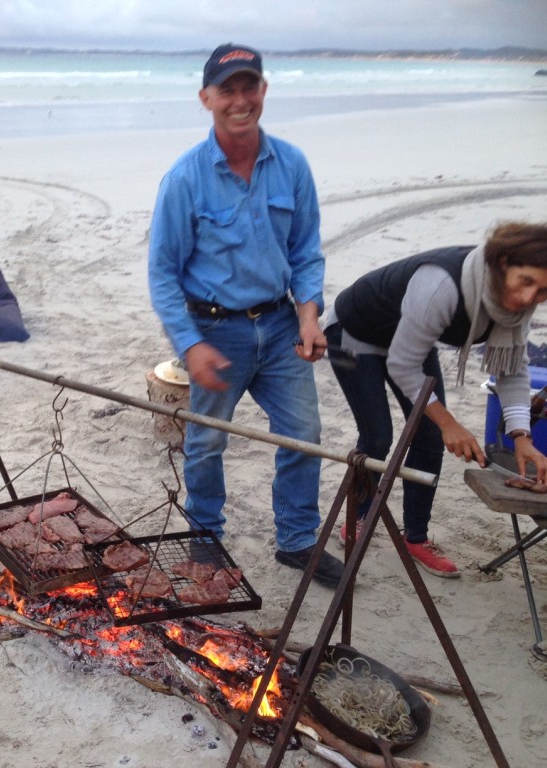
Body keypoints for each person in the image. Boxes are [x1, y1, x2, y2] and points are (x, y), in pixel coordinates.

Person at [148, 44, 344, 588]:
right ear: (206, 98)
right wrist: (191, 344)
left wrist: (309, 314)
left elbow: (306, 252)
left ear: (263, 90)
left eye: (249, 86)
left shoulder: (292, 164)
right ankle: (205, 538)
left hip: (282, 325)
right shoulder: (184, 179)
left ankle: (298, 542)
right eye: (227, 89)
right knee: (208, 442)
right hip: (214, 329)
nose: (240, 100)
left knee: (304, 434)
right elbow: (163, 274)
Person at [324, 222, 547, 577]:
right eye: (526, 282)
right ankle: (359, 515)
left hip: (410, 339)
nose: (529, 299)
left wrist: (522, 436)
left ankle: (414, 537)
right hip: (354, 331)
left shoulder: (516, 310)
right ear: (503, 262)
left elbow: (512, 371)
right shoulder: (441, 285)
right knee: (378, 436)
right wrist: (450, 423)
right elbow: (403, 365)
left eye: (544, 291)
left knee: (429, 438)